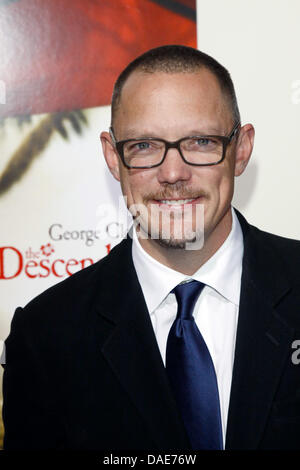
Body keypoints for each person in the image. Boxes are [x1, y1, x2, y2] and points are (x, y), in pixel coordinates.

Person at [2, 45, 300, 451]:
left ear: (241, 150)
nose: (173, 173)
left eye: (199, 141)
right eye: (143, 146)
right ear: (113, 157)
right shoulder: (45, 336)